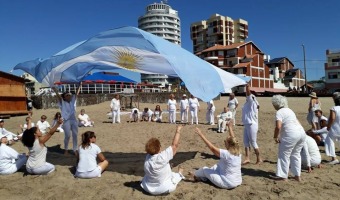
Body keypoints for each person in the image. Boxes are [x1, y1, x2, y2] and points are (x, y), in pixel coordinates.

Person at [190, 124, 242, 189]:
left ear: (229, 144)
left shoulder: (226, 153)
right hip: (237, 181)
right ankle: (203, 178)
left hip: (227, 183)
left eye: (225, 142)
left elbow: (212, 148)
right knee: (215, 167)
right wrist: (229, 127)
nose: (224, 143)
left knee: (204, 169)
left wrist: (201, 134)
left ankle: (194, 174)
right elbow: (233, 139)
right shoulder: (238, 151)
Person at [141, 126, 185, 195]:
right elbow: (175, 145)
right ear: (159, 148)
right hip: (163, 188)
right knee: (175, 176)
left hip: (148, 187)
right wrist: (178, 131)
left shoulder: (148, 157)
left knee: (165, 170)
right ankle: (180, 173)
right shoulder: (162, 157)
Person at [272, 95, 306, 181]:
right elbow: (297, 122)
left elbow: (278, 127)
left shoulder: (279, 112)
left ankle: (283, 176)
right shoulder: (290, 110)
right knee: (296, 154)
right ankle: (297, 175)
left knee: (284, 154)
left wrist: (275, 136)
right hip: (301, 132)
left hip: (291, 134)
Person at [53, 85, 81, 155]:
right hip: (66, 120)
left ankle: (75, 149)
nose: (69, 96)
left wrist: (79, 85)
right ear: (64, 97)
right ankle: (66, 149)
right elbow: (58, 96)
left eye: (69, 95)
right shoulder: (62, 102)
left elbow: (77, 93)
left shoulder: (73, 101)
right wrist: (55, 90)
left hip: (73, 119)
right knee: (67, 135)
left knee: (75, 134)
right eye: (67, 95)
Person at [242, 83, 261, 165]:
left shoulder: (252, 101)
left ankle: (259, 158)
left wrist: (247, 87)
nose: (246, 96)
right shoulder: (249, 102)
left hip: (252, 124)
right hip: (246, 123)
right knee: (246, 142)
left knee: (253, 142)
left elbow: (248, 93)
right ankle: (247, 158)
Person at [324, 92, 340, 164]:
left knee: (329, 141)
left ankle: (334, 158)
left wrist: (328, 126)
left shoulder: (334, 108)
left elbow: (332, 118)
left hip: (335, 129)